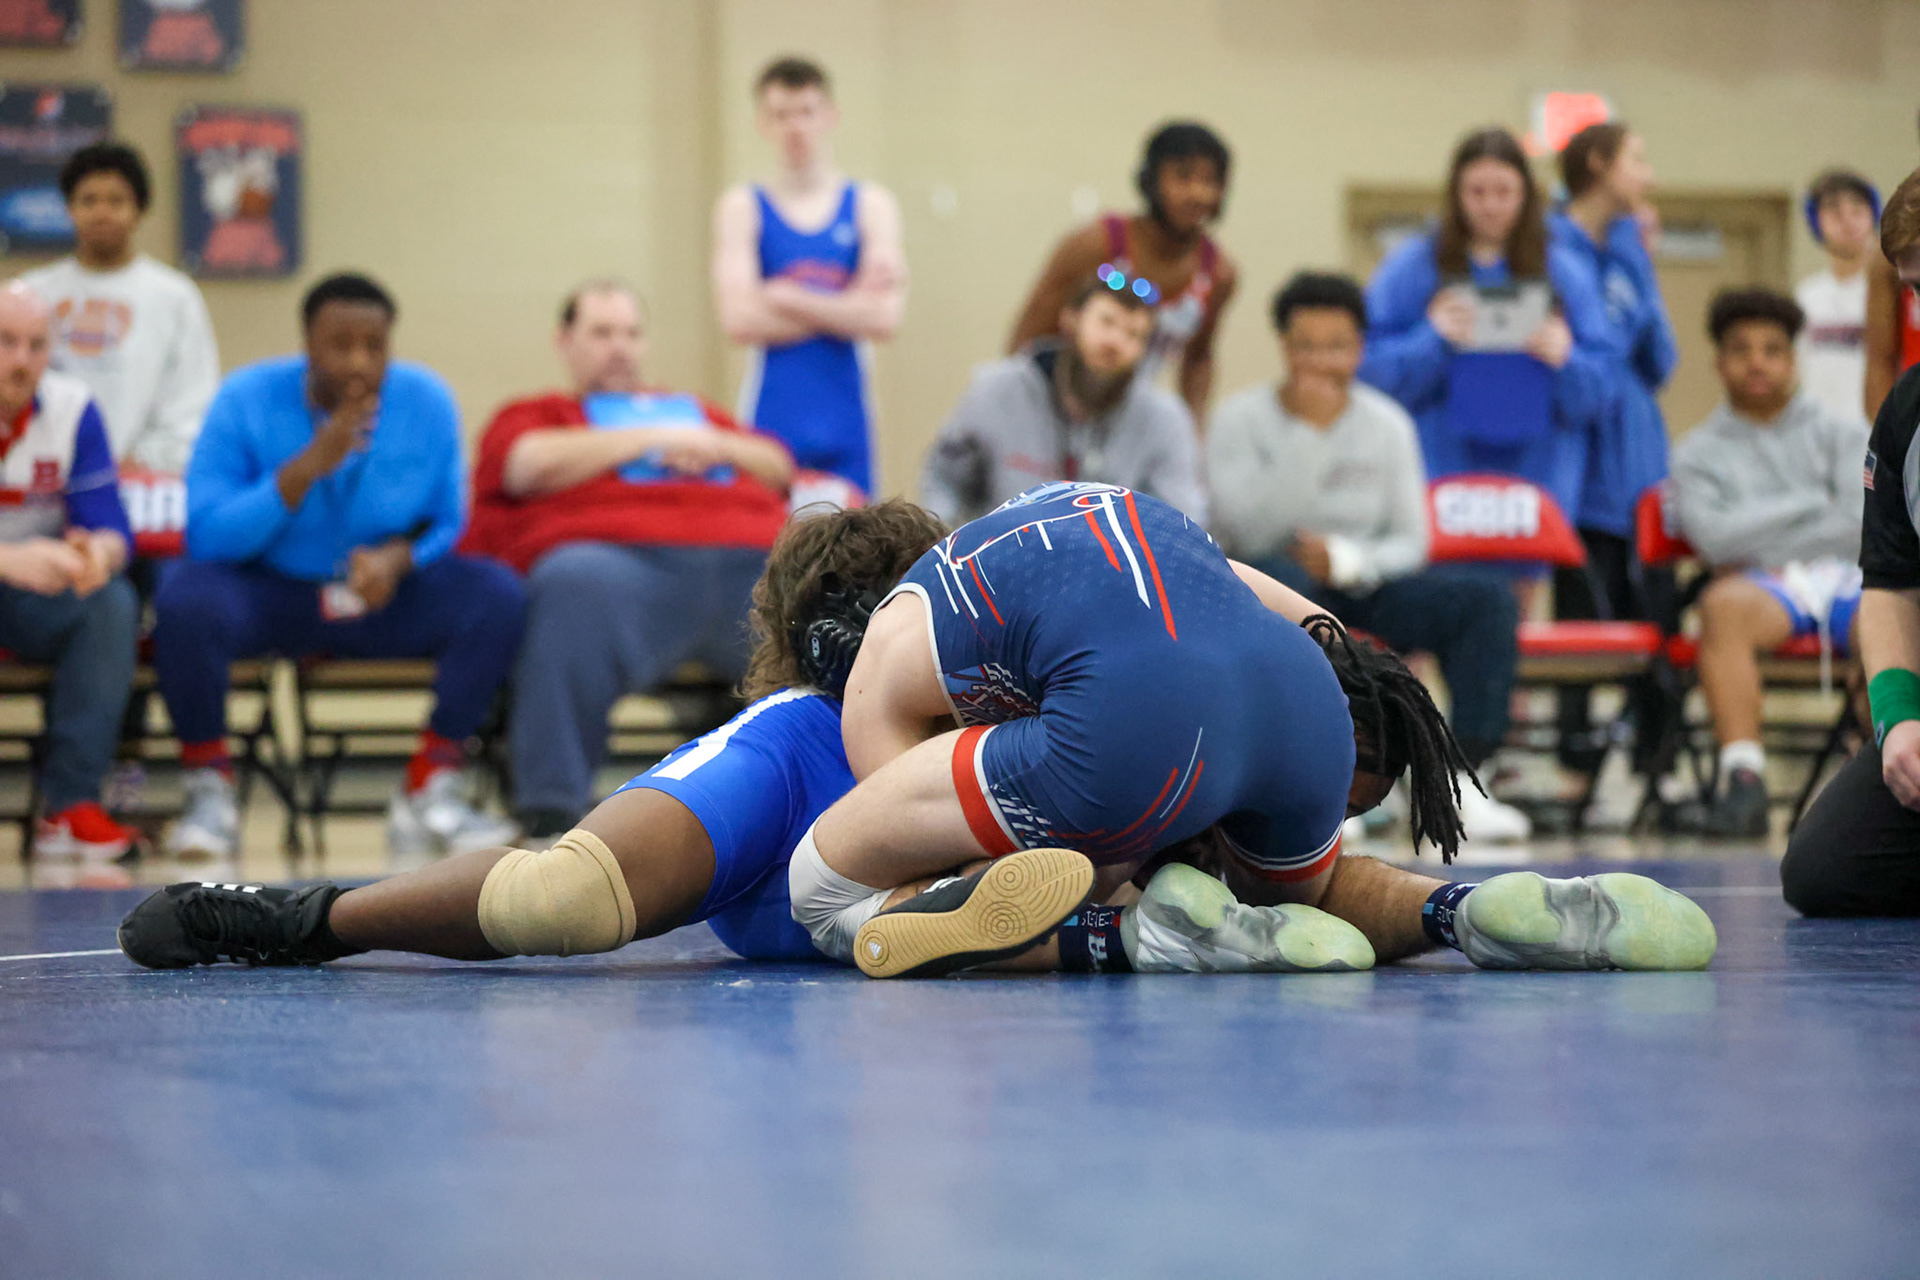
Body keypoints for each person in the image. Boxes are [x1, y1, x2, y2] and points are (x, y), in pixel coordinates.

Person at [118, 500, 1715, 978]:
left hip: (884, 808)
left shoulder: (834, 703)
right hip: (1029, 800)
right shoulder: (990, 668)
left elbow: (564, 892)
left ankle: (300, 920)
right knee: (1279, 880)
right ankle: (1441, 911)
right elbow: (1259, 627)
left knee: (560, 902)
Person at [782, 481, 1715, 979]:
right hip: (1303, 701)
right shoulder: (1087, 513)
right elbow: (1320, 632)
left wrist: (1086, 866)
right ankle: (1459, 911)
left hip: (1125, 734)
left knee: (824, 888)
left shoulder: (894, 634)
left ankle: (1132, 938)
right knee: (1295, 896)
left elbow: (893, 819)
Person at [153, 273, 525, 861]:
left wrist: (399, 559)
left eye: (374, 345)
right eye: (340, 344)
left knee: (495, 593)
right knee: (183, 596)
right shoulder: (244, 397)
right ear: (307, 344)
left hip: (380, 595)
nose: (358, 361)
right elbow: (208, 534)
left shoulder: (427, 400)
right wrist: (304, 469)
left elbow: (448, 519)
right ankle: (210, 794)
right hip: (271, 593)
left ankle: (432, 786)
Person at [462, 280, 794, 838]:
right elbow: (524, 464)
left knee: (820, 581)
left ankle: (827, 794)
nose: (620, 346)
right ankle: (552, 804)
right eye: (601, 332)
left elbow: (777, 465)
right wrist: (646, 439)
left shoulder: (696, 413)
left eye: (631, 333)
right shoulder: (542, 411)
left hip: (747, 566)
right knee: (571, 580)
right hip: (620, 570)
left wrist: (713, 443)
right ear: (564, 341)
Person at [1209, 271, 1530, 842]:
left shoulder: (1387, 424)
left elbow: (1413, 541)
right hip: (1277, 580)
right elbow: (1242, 530)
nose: (1321, 361)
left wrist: (1349, 561)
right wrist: (1308, 435)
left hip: (1367, 579)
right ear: (1284, 347)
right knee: (1280, 585)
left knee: (1484, 601)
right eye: (1306, 346)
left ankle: (1462, 775)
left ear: (1359, 349)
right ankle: (1317, 778)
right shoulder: (1239, 420)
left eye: (1336, 346)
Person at [1669, 289, 1870, 839]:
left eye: (1772, 349)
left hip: (1848, 578)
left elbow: (1862, 522)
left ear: (1792, 358)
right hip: (1764, 590)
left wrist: (1753, 529)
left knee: (1892, 613)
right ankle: (1744, 783)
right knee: (1722, 604)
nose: (1757, 361)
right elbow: (1713, 539)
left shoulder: (1843, 433)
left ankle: (1886, 774)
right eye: (1742, 349)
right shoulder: (1696, 452)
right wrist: (1812, 505)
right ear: (1719, 362)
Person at [1780, 165, 1920, 915]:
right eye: (1919, 294)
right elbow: (1892, 583)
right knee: (1825, 872)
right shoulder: (1906, 411)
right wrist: (1900, 720)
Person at [1359, 127, 1611, 522]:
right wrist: (1431, 338)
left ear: (1526, 194)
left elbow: (1604, 387)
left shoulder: (1564, 271)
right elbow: (1368, 371)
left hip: (1538, 486)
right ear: (1455, 196)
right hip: (1439, 482)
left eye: (1504, 192)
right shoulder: (1413, 266)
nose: (1490, 206)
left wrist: (1566, 358)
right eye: (1476, 192)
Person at [1549, 121, 1680, 781]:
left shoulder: (1628, 247)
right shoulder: (1549, 246)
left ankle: (1657, 772)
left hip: (1643, 469)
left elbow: (1663, 360)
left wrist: (1641, 264)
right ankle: (1575, 771)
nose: (1648, 175)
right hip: (1579, 477)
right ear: (1599, 164)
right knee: (1580, 635)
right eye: (1638, 159)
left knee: (1656, 626)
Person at [712, 56, 905, 497]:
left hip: (849, 418)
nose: (795, 127)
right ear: (763, 123)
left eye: (806, 112)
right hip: (772, 415)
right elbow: (739, 321)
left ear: (829, 116)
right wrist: (847, 303)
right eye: (781, 115)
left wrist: (784, 296)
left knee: (860, 555)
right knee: (772, 555)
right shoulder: (741, 208)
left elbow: (883, 320)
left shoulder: (870, 205)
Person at [0, 280, 140, 858]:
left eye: (36, 345)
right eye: (6, 342)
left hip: (38, 597)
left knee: (110, 602)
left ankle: (69, 806)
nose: (22, 360)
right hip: (18, 571)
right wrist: (9, 561)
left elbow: (112, 526)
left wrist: (96, 554)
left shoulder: (73, 409)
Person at [920, 269, 1204, 526]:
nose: (1115, 342)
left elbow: (1180, 521)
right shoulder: (998, 389)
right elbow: (943, 481)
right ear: (1070, 320)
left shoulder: (1164, 420)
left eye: (1134, 335)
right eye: (1106, 322)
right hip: (996, 567)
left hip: (1111, 574)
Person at [1007, 122, 1239, 425]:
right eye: (1183, 176)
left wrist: (1194, 431)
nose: (1197, 192)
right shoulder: (1094, 245)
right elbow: (1029, 339)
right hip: (1057, 409)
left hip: (1130, 421)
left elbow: (1198, 359)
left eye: (1210, 180)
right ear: (1152, 179)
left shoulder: (1218, 274)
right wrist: (1018, 415)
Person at [21, 142, 219, 474]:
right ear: (69, 209)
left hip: (143, 481)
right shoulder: (32, 294)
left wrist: (142, 461)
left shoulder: (174, 297)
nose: (102, 212)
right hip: (41, 478)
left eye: (116, 201)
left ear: (139, 209)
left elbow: (193, 402)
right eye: (88, 200)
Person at [1794, 170, 1880, 428]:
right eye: (1834, 212)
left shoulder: (1891, 295)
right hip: (1817, 439)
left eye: (1857, 210)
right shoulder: (1806, 296)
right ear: (1815, 220)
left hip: (1875, 436)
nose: (1847, 221)